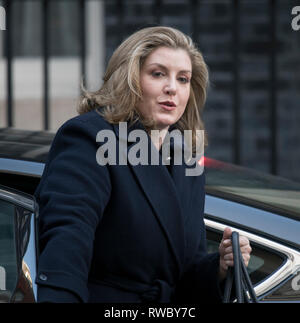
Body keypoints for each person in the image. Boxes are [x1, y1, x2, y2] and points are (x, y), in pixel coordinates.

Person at [35, 26, 251, 303]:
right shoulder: (90, 136)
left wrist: (219, 268)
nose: (172, 87)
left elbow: (184, 271)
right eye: (158, 73)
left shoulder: (185, 154)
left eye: (183, 79)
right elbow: (67, 242)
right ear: (130, 79)